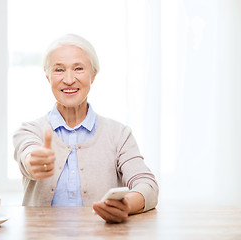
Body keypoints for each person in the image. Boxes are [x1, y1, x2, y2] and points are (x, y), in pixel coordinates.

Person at [13, 34, 158, 223]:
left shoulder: (119, 134)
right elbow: (28, 154)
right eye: (59, 70)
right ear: (47, 76)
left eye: (79, 68)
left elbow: (147, 185)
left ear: (93, 74)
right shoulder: (30, 130)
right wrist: (35, 161)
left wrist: (126, 205)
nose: (69, 79)